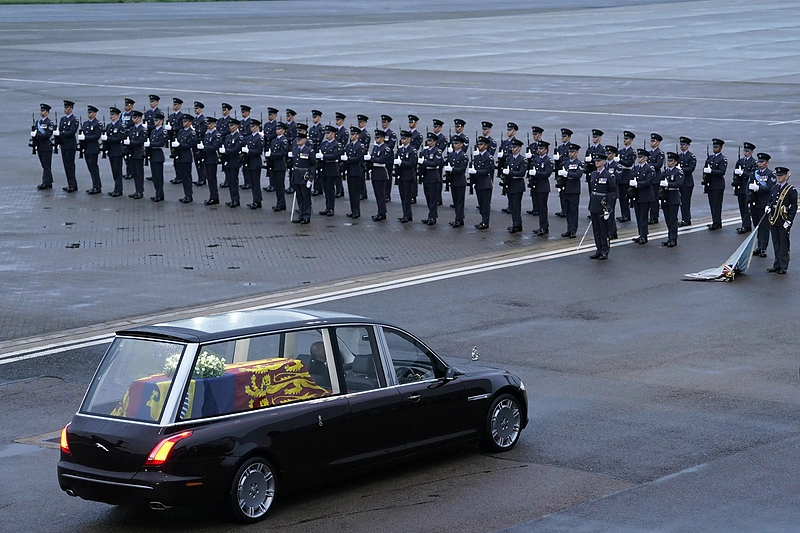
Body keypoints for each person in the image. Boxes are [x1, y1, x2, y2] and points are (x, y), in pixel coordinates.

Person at [767, 167, 796, 274]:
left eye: (781, 176)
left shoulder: (791, 190)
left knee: (783, 243)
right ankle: (777, 264)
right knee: (776, 243)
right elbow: (770, 200)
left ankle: (783, 265)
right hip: (774, 219)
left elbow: (793, 207)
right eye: (777, 176)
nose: (778, 177)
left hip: (784, 220)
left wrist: (789, 221)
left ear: (786, 176)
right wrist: (768, 207)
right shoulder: (774, 188)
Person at [588, 151, 616, 259]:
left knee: (604, 230)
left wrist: (609, 208)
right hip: (594, 204)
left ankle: (605, 250)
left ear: (604, 162)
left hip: (603, 204)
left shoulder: (609, 175)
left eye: (599, 161)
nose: (596, 163)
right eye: (595, 161)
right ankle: (598, 249)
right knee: (596, 229)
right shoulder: (594, 174)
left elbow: (612, 193)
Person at [749, 153, 776, 257]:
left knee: (764, 227)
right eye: (759, 162)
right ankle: (759, 246)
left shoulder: (771, 174)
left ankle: (763, 248)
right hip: (755, 203)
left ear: (767, 163)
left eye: (762, 162)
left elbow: (771, 187)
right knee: (757, 226)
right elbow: (749, 187)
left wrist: (759, 188)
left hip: (764, 204)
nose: (760, 164)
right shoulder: (754, 174)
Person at [629, 148, 656, 244]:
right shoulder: (635, 168)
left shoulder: (649, 168)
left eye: (640, 157)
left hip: (645, 195)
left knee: (644, 216)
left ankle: (644, 236)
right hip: (637, 195)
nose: (638, 158)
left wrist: (638, 184)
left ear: (645, 158)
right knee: (638, 215)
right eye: (638, 157)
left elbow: (649, 181)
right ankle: (641, 233)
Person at [418, 132, 444, 225]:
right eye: (428, 141)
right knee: (428, 198)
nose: (429, 142)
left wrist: (424, 162)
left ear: (435, 141)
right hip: (426, 176)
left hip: (433, 176)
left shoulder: (437, 151)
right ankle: (431, 215)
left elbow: (436, 163)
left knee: (433, 199)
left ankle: (433, 217)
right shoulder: (425, 151)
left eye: (430, 141)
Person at [470, 136, 495, 230]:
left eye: (481, 144)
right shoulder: (477, 157)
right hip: (478, 183)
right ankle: (483, 220)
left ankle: (486, 221)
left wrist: (476, 172)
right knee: (480, 203)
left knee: (485, 203)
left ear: (486, 145)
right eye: (478, 144)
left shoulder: (489, 157)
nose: (479, 146)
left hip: (485, 183)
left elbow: (488, 170)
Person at [660, 152, 684, 247]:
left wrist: (668, 184)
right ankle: (670, 237)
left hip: (673, 197)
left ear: (675, 162)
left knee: (673, 220)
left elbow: (679, 183)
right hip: (666, 197)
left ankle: (673, 239)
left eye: (671, 161)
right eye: (668, 161)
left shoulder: (678, 172)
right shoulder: (665, 172)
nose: (669, 163)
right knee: (667, 219)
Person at [529, 140, 553, 236]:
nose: (539, 150)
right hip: (536, 186)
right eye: (539, 148)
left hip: (543, 187)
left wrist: (536, 173)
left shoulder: (548, 160)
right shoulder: (536, 159)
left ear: (546, 150)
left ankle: (544, 227)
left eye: (541, 148)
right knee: (538, 208)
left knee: (542, 208)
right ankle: (542, 226)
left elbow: (547, 173)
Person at [368, 129, 392, 221]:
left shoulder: (385, 148)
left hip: (381, 173)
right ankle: (380, 212)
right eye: (376, 137)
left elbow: (382, 159)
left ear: (382, 138)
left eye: (378, 138)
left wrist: (372, 159)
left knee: (381, 195)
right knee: (377, 195)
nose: (376, 139)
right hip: (375, 173)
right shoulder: (376, 148)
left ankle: (382, 213)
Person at [317, 125, 342, 216]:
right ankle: (327, 207)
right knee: (325, 189)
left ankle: (331, 208)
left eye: (328, 133)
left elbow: (336, 155)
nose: (327, 135)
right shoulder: (324, 144)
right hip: (324, 168)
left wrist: (324, 156)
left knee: (330, 189)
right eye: (326, 133)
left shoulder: (337, 144)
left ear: (333, 133)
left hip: (332, 168)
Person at [704, 138, 728, 230]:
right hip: (710, 184)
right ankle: (715, 221)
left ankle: (717, 222)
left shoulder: (722, 159)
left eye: (717, 147)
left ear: (721, 148)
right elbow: (705, 168)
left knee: (717, 204)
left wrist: (711, 171)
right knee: (712, 204)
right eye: (714, 147)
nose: (715, 149)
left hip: (718, 185)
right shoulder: (710, 158)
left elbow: (722, 172)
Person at [733, 142, 758, 234]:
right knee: (742, 207)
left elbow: (753, 175)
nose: (745, 153)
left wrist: (743, 173)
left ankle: (746, 225)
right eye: (745, 151)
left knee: (747, 208)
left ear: (751, 152)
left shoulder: (754, 162)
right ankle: (744, 224)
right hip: (740, 187)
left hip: (747, 188)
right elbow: (735, 174)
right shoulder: (740, 161)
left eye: (748, 151)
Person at [503, 138, 527, 233]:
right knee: (512, 206)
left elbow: (522, 173)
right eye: (512, 147)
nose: (513, 149)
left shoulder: (522, 160)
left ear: (519, 148)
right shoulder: (509, 158)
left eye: (515, 147)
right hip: (510, 184)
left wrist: (510, 172)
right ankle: (516, 223)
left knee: (516, 206)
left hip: (517, 185)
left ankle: (517, 225)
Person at [343, 126, 367, 219]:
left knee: (356, 193)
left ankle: (356, 211)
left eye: (353, 134)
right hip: (349, 171)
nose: (351, 136)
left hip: (356, 172)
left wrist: (348, 159)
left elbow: (358, 158)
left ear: (357, 135)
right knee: (351, 193)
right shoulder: (349, 146)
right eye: (351, 134)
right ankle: (353, 210)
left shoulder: (360, 146)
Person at [291, 131, 315, 223]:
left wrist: (311, 178)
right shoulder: (295, 149)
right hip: (296, 175)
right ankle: (301, 214)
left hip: (304, 175)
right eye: (297, 139)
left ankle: (306, 216)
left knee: (306, 197)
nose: (298, 141)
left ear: (304, 140)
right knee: (299, 197)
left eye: (300, 139)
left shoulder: (309, 151)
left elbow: (313, 165)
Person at [445, 134, 468, 227]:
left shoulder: (463, 156)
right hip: (453, 180)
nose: (455, 145)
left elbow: (462, 169)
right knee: (455, 201)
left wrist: (453, 170)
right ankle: (458, 218)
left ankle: (459, 219)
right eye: (454, 143)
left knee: (459, 201)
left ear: (461, 144)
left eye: (457, 143)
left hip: (460, 181)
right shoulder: (451, 155)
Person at [560, 143, 582, 238]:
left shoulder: (579, 163)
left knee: (573, 211)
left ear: (577, 153)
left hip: (574, 191)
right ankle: (569, 229)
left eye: (573, 152)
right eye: (570, 152)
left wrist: (567, 174)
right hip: (565, 190)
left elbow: (578, 175)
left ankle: (573, 230)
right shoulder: (565, 163)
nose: (570, 154)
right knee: (567, 211)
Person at [57, 100, 79, 192]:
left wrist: (61, 133)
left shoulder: (74, 120)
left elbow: (71, 132)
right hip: (64, 145)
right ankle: (70, 183)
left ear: (71, 108)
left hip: (70, 145)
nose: (65, 110)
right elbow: (60, 129)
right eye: (65, 108)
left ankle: (73, 184)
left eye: (67, 108)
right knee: (66, 165)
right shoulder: (63, 119)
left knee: (70, 165)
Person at [395, 130, 417, 223]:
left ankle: (407, 215)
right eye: (402, 138)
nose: (402, 140)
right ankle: (406, 214)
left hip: (408, 176)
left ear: (409, 139)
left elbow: (412, 163)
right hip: (401, 176)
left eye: (404, 138)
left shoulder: (412, 150)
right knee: (402, 197)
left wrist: (402, 163)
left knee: (407, 197)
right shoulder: (400, 150)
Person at [174, 114, 197, 203]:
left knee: (187, 177)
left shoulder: (191, 132)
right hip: (180, 156)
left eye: (185, 121)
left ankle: (189, 195)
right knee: (183, 177)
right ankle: (186, 194)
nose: (184, 123)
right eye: (183, 121)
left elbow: (190, 145)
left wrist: (180, 145)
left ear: (190, 122)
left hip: (186, 156)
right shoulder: (181, 131)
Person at [104, 106, 126, 197]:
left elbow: (118, 139)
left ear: (117, 116)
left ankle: (118, 189)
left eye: (113, 115)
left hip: (117, 151)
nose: (111, 116)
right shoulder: (109, 126)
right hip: (111, 151)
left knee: (118, 171)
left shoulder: (120, 126)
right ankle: (116, 188)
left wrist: (108, 139)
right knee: (114, 171)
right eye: (111, 114)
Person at [124, 110, 147, 199]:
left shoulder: (142, 129)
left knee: (139, 173)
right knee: (135, 173)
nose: (134, 119)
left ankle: (140, 191)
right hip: (132, 153)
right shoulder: (132, 129)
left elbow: (141, 141)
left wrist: (130, 143)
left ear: (140, 118)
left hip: (138, 153)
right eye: (133, 117)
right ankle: (137, 190)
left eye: (135, 117)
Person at [221, 118, 244, 208]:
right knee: (230, 181)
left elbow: (236, 149)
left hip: (234, 161)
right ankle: (232, 198)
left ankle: (236, 200)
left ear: (237, 126)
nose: (231, 127)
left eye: (232, 126)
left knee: (234, 181)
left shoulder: (239, 137)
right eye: (230, 126)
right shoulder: (228, 136)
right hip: (228, 161)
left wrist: (226, 151)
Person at [81, 105, 103, 195]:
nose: (89, 114)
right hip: (86, 149)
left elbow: (96, 136)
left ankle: (97, 186)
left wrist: (85, 137)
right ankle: (95, 185)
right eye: (88, 112)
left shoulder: (97, 124)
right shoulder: (85, 123)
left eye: (91, 113)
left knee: (94, 168)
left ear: (95, 114)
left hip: (93, 148)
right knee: (90, 168)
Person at [266, 122, 288, 211]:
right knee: (276, 185)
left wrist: (272, 155)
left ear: (283, 131)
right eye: (277, 129)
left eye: (279, 129)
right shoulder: (274, 140)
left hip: (280, 165)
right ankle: (279, 202)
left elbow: (283, 153)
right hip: (274, 165)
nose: (277, 131)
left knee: (280, 185)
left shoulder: (284, 140)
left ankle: (281, 203)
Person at [201, 116, 223, 205]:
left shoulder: (216, 134)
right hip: (206, 159)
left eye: (210, 124)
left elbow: (215, 146)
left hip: (212, 159)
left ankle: (214, 197)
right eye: (207, 124)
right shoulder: (207, 134)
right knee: (209, 178)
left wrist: (205, 148)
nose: (208, 125)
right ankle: (212, 196)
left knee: (212, 179)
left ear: (214, 124)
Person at [33, 103, 55, 190]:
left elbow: (47, 135)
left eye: (43, 111)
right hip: (40, 146)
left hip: (46, 146)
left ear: (47, 112)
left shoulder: (49, 123)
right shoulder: (38, 122)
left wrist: (37, 135)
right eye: (41, 111)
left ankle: (45, 183)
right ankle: (49, 181)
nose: (42, 112)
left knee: (46, 165)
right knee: (44, 165)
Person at [244, 119, 265, 209]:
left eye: (253, 127)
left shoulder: (259, 138)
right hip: (249, 162)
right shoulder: (249, 137)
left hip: (256, 163)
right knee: (252, 183)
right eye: (251, 127)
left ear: (257, 127)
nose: (251, 128)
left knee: (256, 183)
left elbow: (259, 151)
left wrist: (249, 151)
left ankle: (257, 201)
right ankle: (255, 200)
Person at [616, 131, 636, 223]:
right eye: (624, 139)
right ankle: (623, 214)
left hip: (627, 175)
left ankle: (626, 215)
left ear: (631, 140)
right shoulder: (621, 151)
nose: (625, 140)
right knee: (621, 197)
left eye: (627, 139)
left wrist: (620, 160)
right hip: (620, 175)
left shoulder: (632, 152)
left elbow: (629, 163)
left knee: (625, 196)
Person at [147, 111, 167, 202]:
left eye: (157, 120)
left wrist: (151, 144)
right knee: (155, 176)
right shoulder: (153, 131)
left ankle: (160, 194)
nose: (155, 122)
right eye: (154, 120)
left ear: (161, 121)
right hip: (153, 155)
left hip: (158, 155)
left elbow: (161, 143)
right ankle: (157, 193)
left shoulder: (163, 131)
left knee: (159, 176)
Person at [554, 127, 573, 218]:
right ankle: (563, 209)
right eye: (562, 136)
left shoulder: (570, 147)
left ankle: (566, 209)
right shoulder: (560, 147)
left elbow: (569, 159)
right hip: (560, 171)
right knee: (561, 191)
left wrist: (561, 160)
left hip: (566, 171)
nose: (563, 138)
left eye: (565, 136)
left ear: (569, 137)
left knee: (566, 191)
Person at [678, 136, 696, 226]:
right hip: (680, 182)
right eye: (681, 145)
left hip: (687, 182)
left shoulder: (691, 156)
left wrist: (680, 169)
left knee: (686, 201)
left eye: (684, 145)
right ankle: (684, 218)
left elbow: (691, 169)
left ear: (688, 145)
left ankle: (687, 219)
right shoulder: (679, 156)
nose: (682, 146)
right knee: (681, 201)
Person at [647, 133, 664, 224]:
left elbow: (659, 165)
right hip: (650, 178)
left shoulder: (659, 153)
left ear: (658, 143)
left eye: (654, 141)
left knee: (654, 199)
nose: (652, 142)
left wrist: (649, 166)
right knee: (650, 198)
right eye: (651, 141)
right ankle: (651, 216)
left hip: (656, 178)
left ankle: (654, 216)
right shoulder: (649, 153)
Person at [166, 98, 183, 184]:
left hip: (178, 139)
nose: (175, 106)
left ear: (180, 106)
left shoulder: (181, 116)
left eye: (176, 105)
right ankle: (177, 175)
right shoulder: (171, 116)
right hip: (172, 139)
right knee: (174, 157)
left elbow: (181, 128)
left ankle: (180, 176)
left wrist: (173, 128)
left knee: (178, 158)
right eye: (174, 105)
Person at [191, 102, 207, 186]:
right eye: (195, 108)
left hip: (200, 142)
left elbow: (202, 131)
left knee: (201, 161)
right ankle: (199, 177)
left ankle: (203, 178)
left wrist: (195, 131)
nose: (195, 110)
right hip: (195, 142)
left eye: (197, 109)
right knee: (196, 160)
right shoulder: (194, 119)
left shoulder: (203, 119)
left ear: (201, 109)